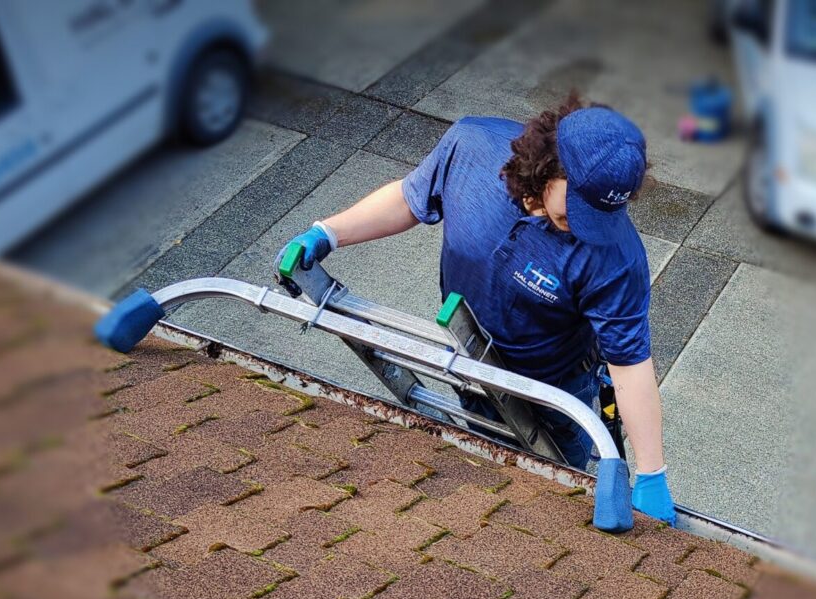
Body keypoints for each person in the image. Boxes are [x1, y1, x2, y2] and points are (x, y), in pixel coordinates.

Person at [276, 94, 675, 524]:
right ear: (548, 166)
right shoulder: (471, 146)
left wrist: (652, 473)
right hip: (468, 362)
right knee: (486, 477)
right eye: (574, 210)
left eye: (600, 215)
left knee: (550, 509)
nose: (585, 228)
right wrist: (327, 233)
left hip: (552, 396)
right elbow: (411, 198)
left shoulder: (614, 256)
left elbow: (630, 363)